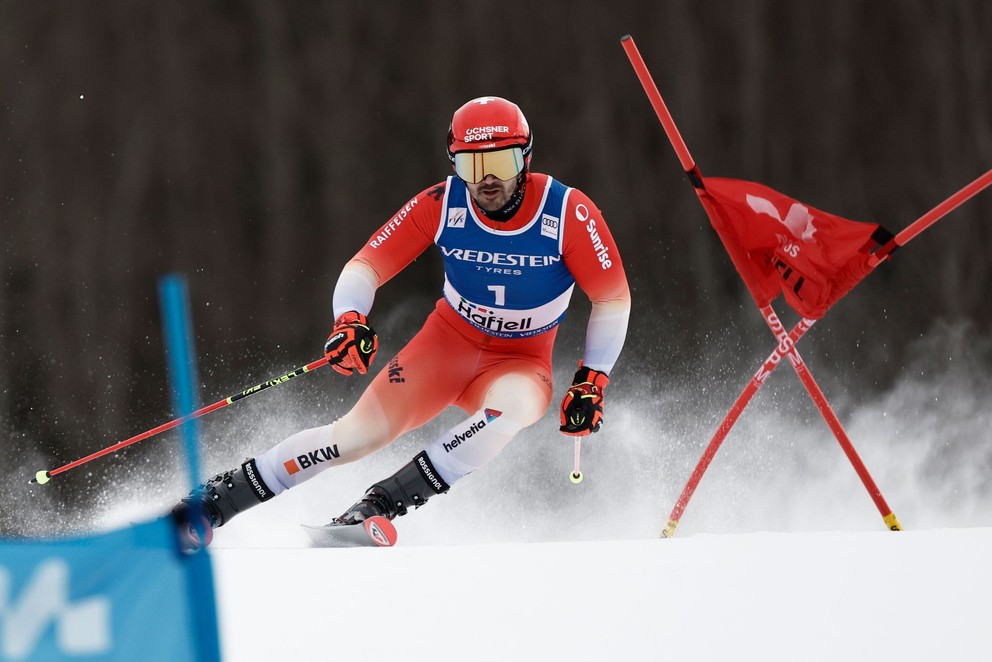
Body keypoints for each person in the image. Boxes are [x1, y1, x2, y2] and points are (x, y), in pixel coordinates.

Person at [172, 96, 631, 549]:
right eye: (471, 166)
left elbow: (612, 299)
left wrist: (592, 379)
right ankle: (213, 503)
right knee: (354, 437)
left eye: (503, 162)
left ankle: (376, 507)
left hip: (521, 359)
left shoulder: (569, 212)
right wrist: (349, 319)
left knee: (507, 413)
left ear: (526, 159)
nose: (487, 179)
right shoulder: (441, 203)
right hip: (446, 346)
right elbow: (366, 266)